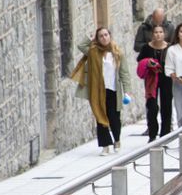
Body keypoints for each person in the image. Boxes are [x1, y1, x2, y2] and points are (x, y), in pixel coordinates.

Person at [73, 27, 131, 155]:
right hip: (98, 90)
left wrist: (127, 91)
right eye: (101, 36)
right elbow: (81, 46)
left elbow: (124, 73)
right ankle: (105, 145)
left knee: (114, 118)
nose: (104, 38)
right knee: (100, 117)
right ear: (97, 39)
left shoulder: (117, 53)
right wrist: (90, 37)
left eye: (106, 35)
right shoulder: (93, 52)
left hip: (113, 90)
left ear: (110, 36)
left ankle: (117, 140)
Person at [137, 25, 172, 142]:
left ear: (164, 34)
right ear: (152, 34)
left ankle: (165, 135)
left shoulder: (169, 48)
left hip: (167, 78)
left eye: (161, 32)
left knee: (166, 106)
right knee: (151, 106)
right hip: (151, 79)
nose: (158, 34)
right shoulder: (146, 48)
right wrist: (148, 62)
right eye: (156, 32)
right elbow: (140, 60)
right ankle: (152, 134)